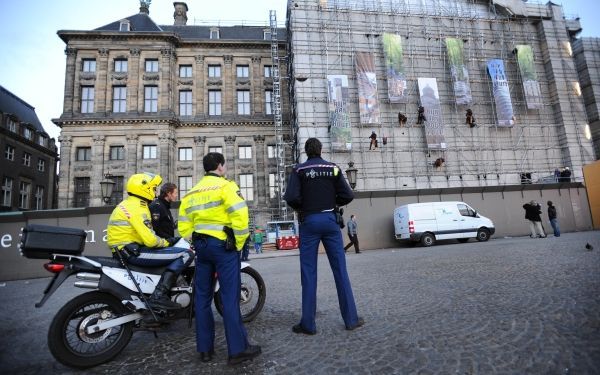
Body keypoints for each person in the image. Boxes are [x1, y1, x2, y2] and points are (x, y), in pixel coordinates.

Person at [178, 152, 261, 365]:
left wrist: (195, 241)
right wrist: (240, 243)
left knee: (202, 299)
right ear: (220, 166)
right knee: (229, 298)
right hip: (223, 248)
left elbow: (183, 224)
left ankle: (205, 350)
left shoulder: (192, 192)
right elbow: (240, 216)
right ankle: (237, 350)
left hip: (202, 248)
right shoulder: (226, 186)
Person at [284, 137, 363, 335]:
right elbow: (348, 195)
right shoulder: (333, 168)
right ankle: (351, 319)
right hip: (330, 221)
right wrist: (332, 201)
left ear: (306, 151)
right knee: (340, 271)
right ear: (320, 150)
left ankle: (308, 324)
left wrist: (303, 207)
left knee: (308, 273)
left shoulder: (299, 170)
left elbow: (291, 197)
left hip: (309, 221)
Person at [107, 173, 194, 311]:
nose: (154, 192)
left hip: (125, 250)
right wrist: (169, 242)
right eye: (153, 189)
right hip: (132, 252)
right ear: (144, 189)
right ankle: (159, 295)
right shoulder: (138, 208)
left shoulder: (127, 204)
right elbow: (151, 240)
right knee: (187, 254)